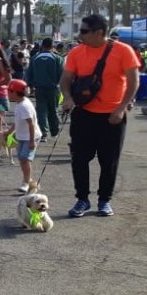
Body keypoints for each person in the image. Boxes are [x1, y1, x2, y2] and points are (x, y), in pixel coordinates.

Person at [61, 14, 141, 217]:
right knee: (79, 158)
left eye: (84, 31)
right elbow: (66, 79)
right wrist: (67, 97)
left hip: (112, 116)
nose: (80, 35)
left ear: (99, 33)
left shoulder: (124, 51)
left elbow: (133, 82)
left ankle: (104, 200)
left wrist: (122, 107)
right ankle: (82, 199)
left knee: (109, 161)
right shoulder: (77, 52)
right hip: (84, 114)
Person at [5, 79, 40, 192]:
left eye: (9, 91)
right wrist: (9, 132)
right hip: (22, 136)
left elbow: (31, 124)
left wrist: (32, 141)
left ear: (15, 93)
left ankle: (26, 183)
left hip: (30, 137)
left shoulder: (24, 106)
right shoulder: (20, 103)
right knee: (22, 159)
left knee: (25, 159)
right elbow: (17, 121)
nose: (8, 94)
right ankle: (28, 180)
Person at [25, 38, 64, 140]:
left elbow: (29, 73)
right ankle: (54, 131)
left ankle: (43, 133)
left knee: (41, 110)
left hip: (39, 88)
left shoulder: (35, 57)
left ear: (42, 45)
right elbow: (62, 74)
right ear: (52, 46)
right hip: (53, 88)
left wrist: (30, 85)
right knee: (53, 110)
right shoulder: (57, 58)